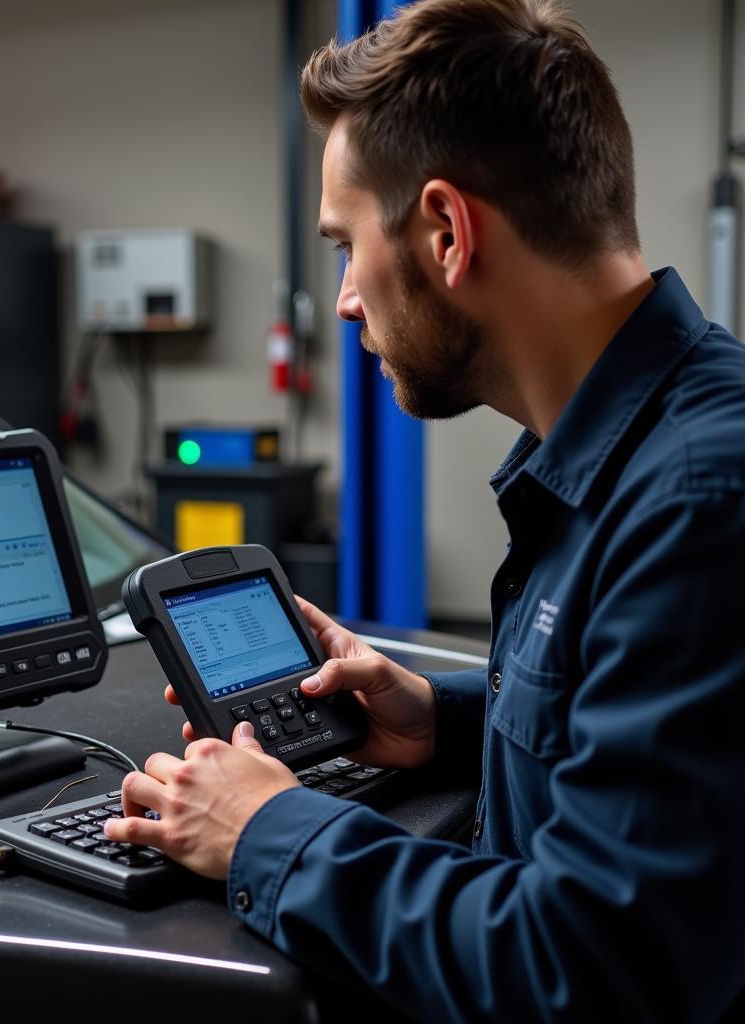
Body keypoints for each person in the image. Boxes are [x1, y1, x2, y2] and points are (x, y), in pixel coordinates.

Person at [104, 0, 745, 1018]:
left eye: (344, 245)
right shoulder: (638, 453)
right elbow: (670, 747)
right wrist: (442, 722)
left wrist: (267, 827)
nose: (347, 296)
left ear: (446, 231)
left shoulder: (696, 499)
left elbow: (592, 966)